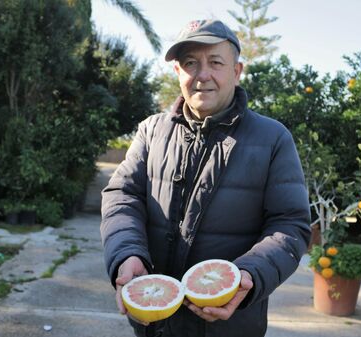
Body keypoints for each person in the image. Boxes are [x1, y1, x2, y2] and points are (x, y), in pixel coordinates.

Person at [101, 19, 310, 337]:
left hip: (231, 325)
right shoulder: (151, 131)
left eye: (215, 62)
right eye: (190, 63)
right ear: (177, 72)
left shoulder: (273, 139)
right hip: (155, 319)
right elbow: (122, 196)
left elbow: (290, 225)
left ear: (236, 72)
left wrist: (249, 274)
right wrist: (126, 254)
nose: (202, 75)